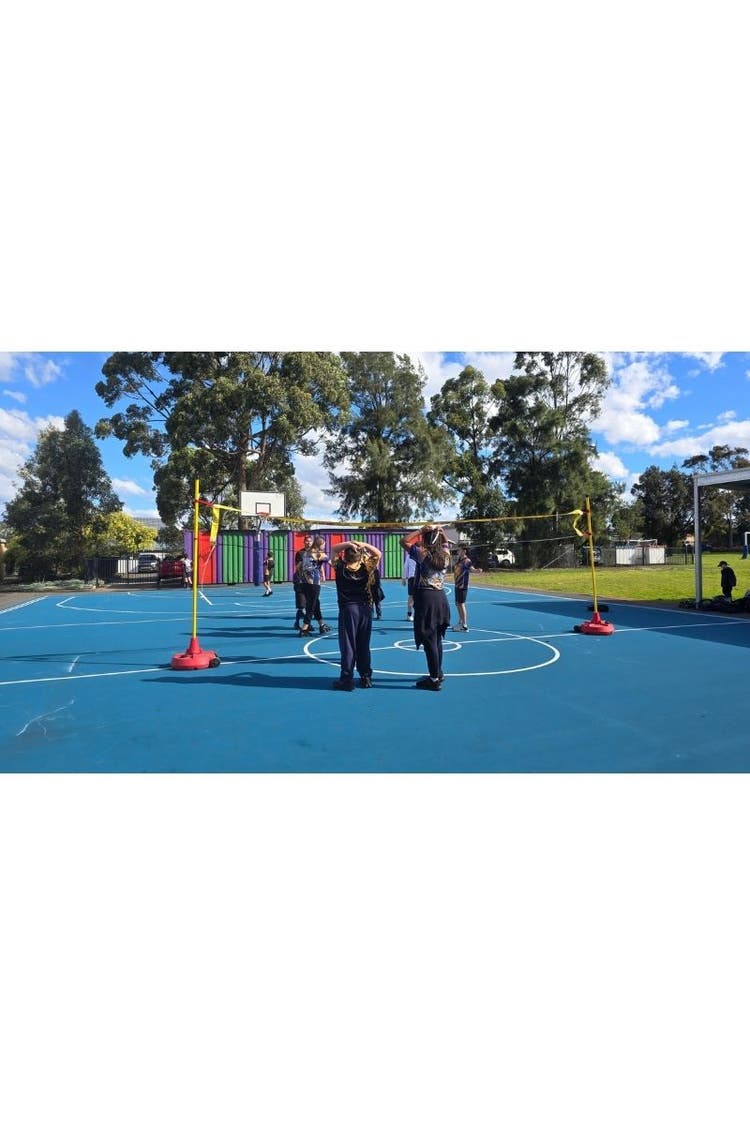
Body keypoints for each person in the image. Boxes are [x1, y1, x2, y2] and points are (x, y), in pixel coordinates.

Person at [400, 523, 452, 691]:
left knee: (429, 639)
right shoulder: (445, 555)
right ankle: (438, 672)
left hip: (426, 597)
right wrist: (442, 533)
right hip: (441, 598)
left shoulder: (422, 554)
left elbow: (403, 541)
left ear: (426, 539)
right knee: (436, 638)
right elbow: (446, 545)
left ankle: (434, 679)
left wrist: (421, 530)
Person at [331, 539, 382, 690]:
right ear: (360, 556)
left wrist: (348, 543)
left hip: (348, 609)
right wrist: (364, 545)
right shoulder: (367, 567)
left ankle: (346, 679)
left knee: (348, 645)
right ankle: (366, 676)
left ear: (345, 556)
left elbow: (334, 549)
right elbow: (378, 554)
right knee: (363, 644)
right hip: (365, 609)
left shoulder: (340, 567)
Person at [296, 534, 330, 636]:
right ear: (321, 544)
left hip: (304, 581)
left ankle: (321, 625)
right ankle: (305, 628)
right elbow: (333, 563)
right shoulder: (320, 554)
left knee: (316, 604)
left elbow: (298, 567)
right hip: (314, 583)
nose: (324, 546)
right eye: (324, 544)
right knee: (311, 606)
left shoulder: (306, 553)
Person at [452, 546, 482, 631]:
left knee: (461, 604)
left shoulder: (467, 561)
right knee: (457, 603)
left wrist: (477, 571)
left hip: (462, 585)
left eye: (459, 549)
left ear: (464, 551)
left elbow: (471, 569)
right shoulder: (459, 560)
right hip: (457, 585)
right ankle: (460, 622)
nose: (457, 550)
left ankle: (464, 625)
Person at [402, 551, 416, 620]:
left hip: (420, 578)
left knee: (412, 597)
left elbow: (405, 566)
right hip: (413, 577)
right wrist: (404, 578)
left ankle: (411, 614)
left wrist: (404, 578)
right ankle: (409, 614)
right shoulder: (409, 556)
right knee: (411, 596)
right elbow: (406, 566)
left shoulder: (423, 553)